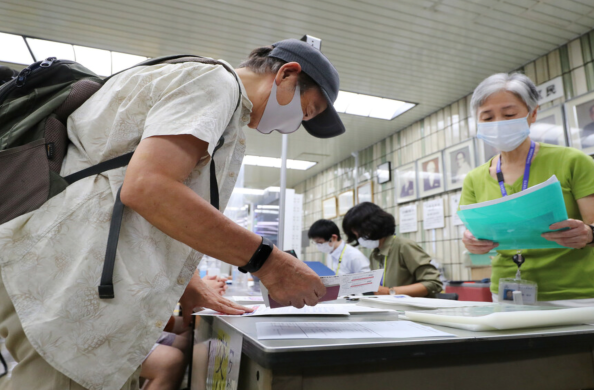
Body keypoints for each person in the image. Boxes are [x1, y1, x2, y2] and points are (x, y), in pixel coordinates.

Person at [0, 39, 344, 390]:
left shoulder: (216, 100)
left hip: (73, 273)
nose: (298, 123)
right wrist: (271, 263)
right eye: (307, 110)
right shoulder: (214, 82)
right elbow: (148, 187)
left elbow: (137, 190)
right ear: (287, 73)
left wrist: (188, 285)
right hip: (68, 278)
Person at [461, 73, 594, 325]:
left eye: (509, 114)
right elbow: (474, 234)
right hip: (507, 293)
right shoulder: (474, 178)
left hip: (576, 293)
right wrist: (472, 243)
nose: (498, 122)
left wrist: (589, 233)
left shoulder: (572, 161)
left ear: (532, 114)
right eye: (487, 117)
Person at [342, 202, 442, 297]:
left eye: (360, 233)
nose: (359, 238)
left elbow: (433, 283)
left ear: (373, 226)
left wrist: (389, 292)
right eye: (356, 235)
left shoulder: (403, 246)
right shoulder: (375, 254)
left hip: (414, 311)